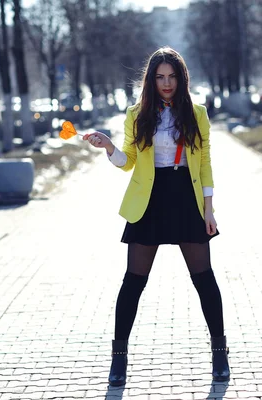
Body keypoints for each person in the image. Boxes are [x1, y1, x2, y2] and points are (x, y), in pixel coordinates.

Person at [83, 47, 229, 386]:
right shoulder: (137, 114)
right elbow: (129, 161)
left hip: (186, 197)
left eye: (172, 77)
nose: (166, 83)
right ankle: (118, 359)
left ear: (181, 78)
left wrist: (209, 209)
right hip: (149, 199)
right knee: (133, 281)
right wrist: (108, 147)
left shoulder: (197, 113)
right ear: (151, 79)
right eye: (160, 77)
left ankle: (219, 353)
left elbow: (205, 163)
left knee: (204, 278)